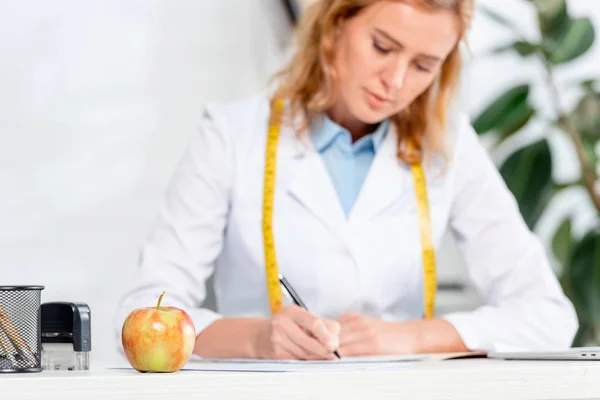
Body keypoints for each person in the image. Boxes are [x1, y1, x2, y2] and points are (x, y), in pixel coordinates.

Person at [114, 0, 578, 360]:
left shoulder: (450, 145)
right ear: (335, 25)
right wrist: (260, 337)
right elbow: (141, 313)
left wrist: (406, 337)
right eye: (382, 46)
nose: (395, 81)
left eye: (423, 65)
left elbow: (549, 315)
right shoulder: (230, 136)